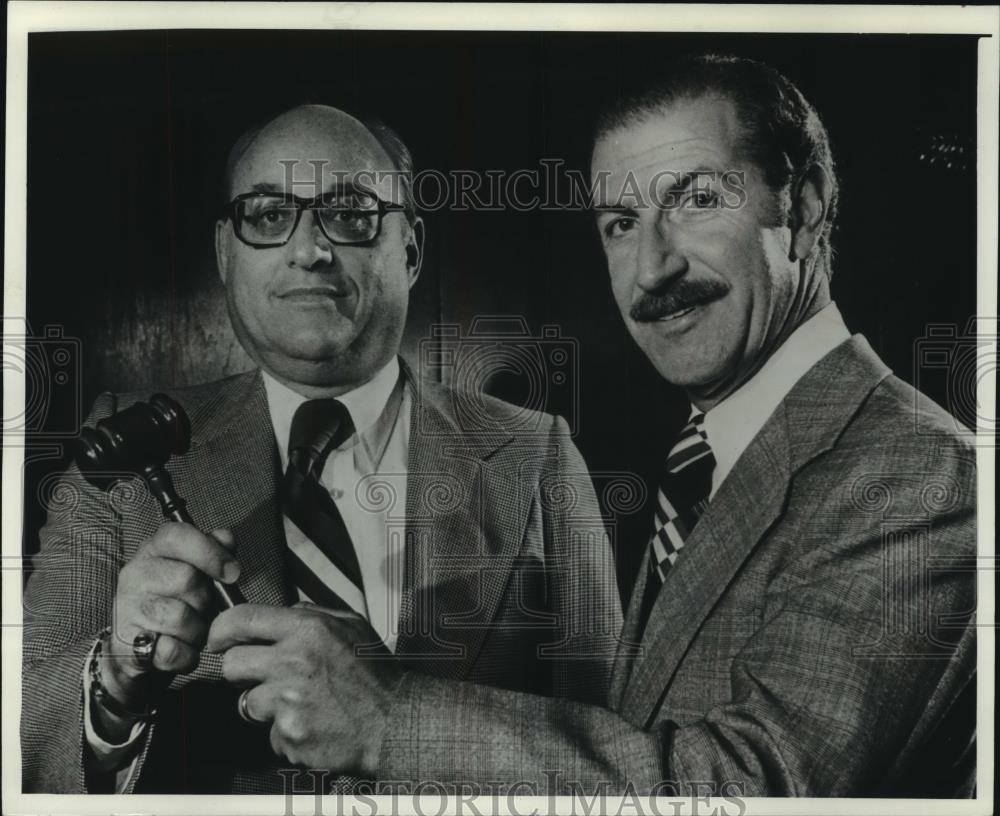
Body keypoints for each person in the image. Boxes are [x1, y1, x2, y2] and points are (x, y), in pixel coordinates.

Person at [272, 55, 979, 797]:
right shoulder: (704, 460)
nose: (651, 269)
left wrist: (389, 720)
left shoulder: (919, 471)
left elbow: (752, 789)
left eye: (696, 199)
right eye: (620, 223)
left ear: (802, 210)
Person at [20, 104, 623, 793]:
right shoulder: (122, 448)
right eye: (269, 215)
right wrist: (115, 682)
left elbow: (606, 748)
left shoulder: (534, 453)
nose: (310, 250)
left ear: (411, 250)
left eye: (351, 212)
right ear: (225, 252)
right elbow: (21, 728)